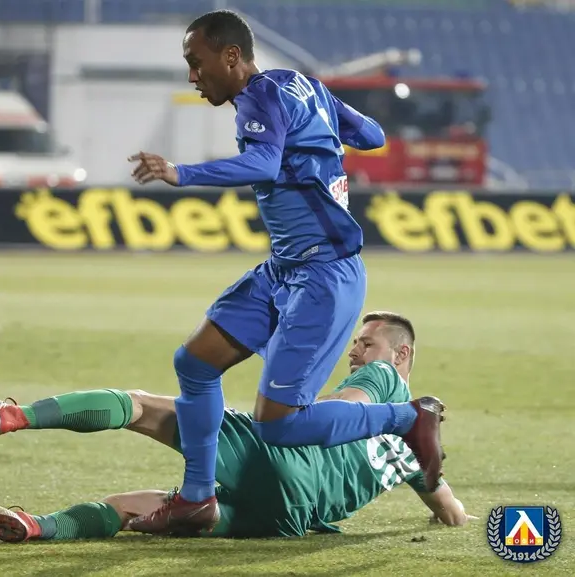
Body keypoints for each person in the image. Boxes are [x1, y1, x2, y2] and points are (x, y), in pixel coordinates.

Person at [125, 9, 445, 534]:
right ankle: (196, 498)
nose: (192, 75)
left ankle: (410, 418)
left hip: (322, 274)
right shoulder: (303, 86)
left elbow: (263, 164)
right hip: (285, 269)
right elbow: (371, 134)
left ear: (232, 55)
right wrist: (320, 133)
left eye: (196, 62)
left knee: (277, 426)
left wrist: (180, 172)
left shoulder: (258, 97)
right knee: (196, 363)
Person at [0, 312, 469, 543]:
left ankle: (14, 416)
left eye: (367, 343)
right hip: (292, 517)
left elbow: (346, 406)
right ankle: (35, 526)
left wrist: (303, 407)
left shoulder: (383, 379)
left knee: (141, 407)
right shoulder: (419, 449)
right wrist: (449, 511)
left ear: (400, 354)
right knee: (136, 507)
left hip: (283, 456)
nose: (355, 351)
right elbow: (450, 512)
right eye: (355, 343)